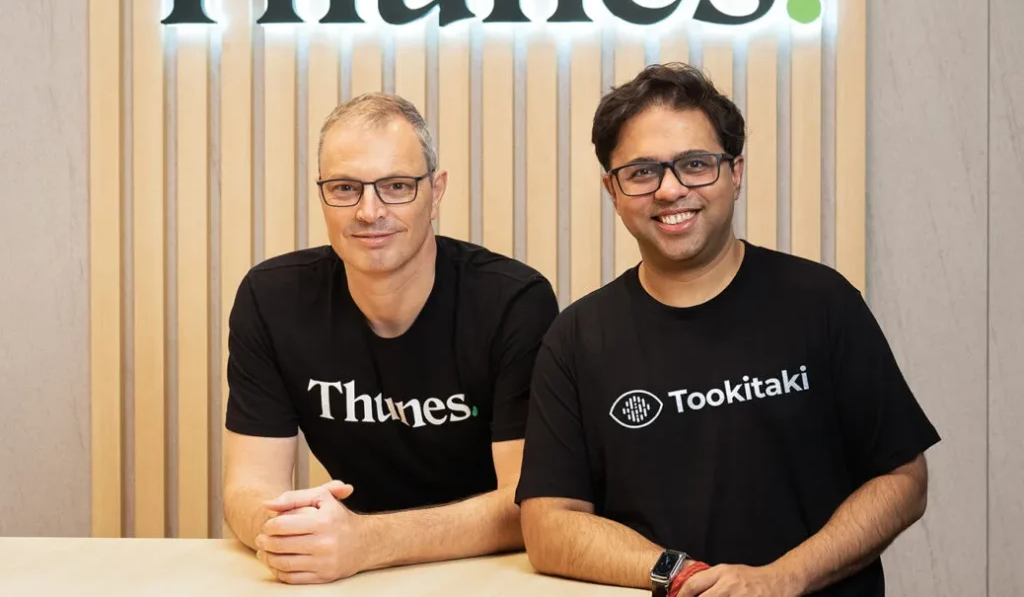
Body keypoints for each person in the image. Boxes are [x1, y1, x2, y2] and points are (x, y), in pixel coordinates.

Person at [514, 63, 940, 597]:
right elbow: (549, 524)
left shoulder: (822, 303)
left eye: (695, 164)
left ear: (735, 173)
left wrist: (782, 578)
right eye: (642, 172)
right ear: (612, 190)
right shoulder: (577, 339)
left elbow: (902, 480)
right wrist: (688, 578)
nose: (670, 190)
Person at [223, 93, 559, 585]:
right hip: (351, 575)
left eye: (397, 186)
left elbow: (527, 503)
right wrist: (289, 533)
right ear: (322, 196)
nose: (369, 211)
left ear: (436, 192)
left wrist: (368, 541)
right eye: (344, 188)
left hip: (492, 572)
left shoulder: (513, 302)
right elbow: (248, 486)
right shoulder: (272, 299)